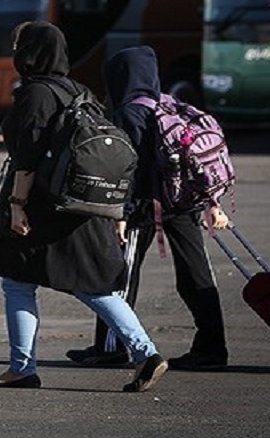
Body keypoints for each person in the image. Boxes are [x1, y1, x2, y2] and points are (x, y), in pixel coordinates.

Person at [0, 21, 168, 392]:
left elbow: (27, 158)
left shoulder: (35, 94)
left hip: (43, 206)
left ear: (30, 52)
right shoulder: (79, 90)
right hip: (85, 204)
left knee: (18, 282)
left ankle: (22, 367)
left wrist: (17, 205)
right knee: (93, 285)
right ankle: (145, 353)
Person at [67, 46, 230, 371]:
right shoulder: (169, 104)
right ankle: (212, 347)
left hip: (144, 207)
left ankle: (110, 347)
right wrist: (214, 202)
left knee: (119, 277)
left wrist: (121, 216)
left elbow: (130, 170)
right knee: (196, 275)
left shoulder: (130, 111)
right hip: (183, 202)